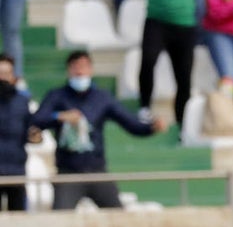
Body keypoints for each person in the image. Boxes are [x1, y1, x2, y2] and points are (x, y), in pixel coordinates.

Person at [31, 51, 167, 209]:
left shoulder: (102, 98)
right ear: (69, 70)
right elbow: (37, 120)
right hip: (68, 172)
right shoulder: (57, 96)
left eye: (84, 67)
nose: (80, 71)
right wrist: (59, 116)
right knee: (61, 217)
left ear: (91, 69)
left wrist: (151, 127)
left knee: (116, 216)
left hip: (96, 170)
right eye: (75, 67)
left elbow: (130, 123)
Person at [136, 0, 203, 126]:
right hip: (157, 20)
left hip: (184, 23)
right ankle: (145, 106)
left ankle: (183, 121)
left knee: (184, 76)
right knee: (148, 61)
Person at [0, 54, 36, 211]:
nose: (3, 78)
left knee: (18, 220)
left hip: (16, 172)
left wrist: (35, 135)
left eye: (6, 74)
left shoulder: (23, 102)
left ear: (13, 76)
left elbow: (32, 130)